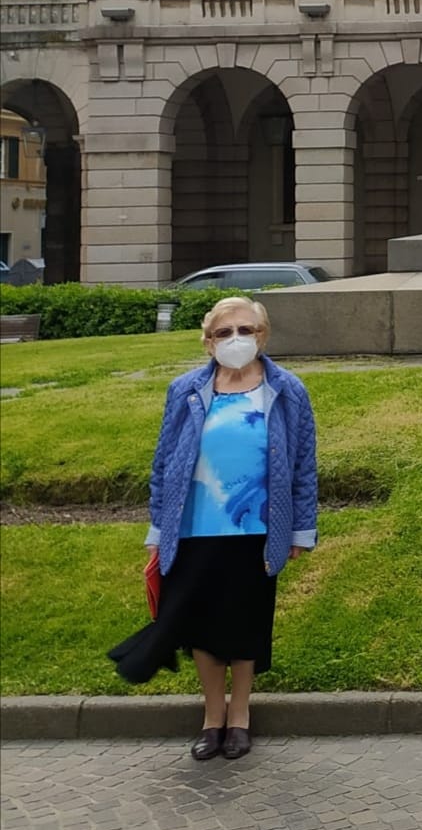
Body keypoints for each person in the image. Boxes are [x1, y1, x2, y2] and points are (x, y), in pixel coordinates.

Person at [108, 297, 318, 762]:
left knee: (245, 623)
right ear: (208, 342)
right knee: (201, 626)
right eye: (224, 333)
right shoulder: (185, 390)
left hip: (256, 529)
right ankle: (212, 717)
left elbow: (304, 467)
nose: (235, 340)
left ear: (262, 336)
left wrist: (300, 531)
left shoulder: (287, 390)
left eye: (245, 330)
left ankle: (240, 717)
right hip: (193, 527)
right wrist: (158, 530)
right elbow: (165, 465)